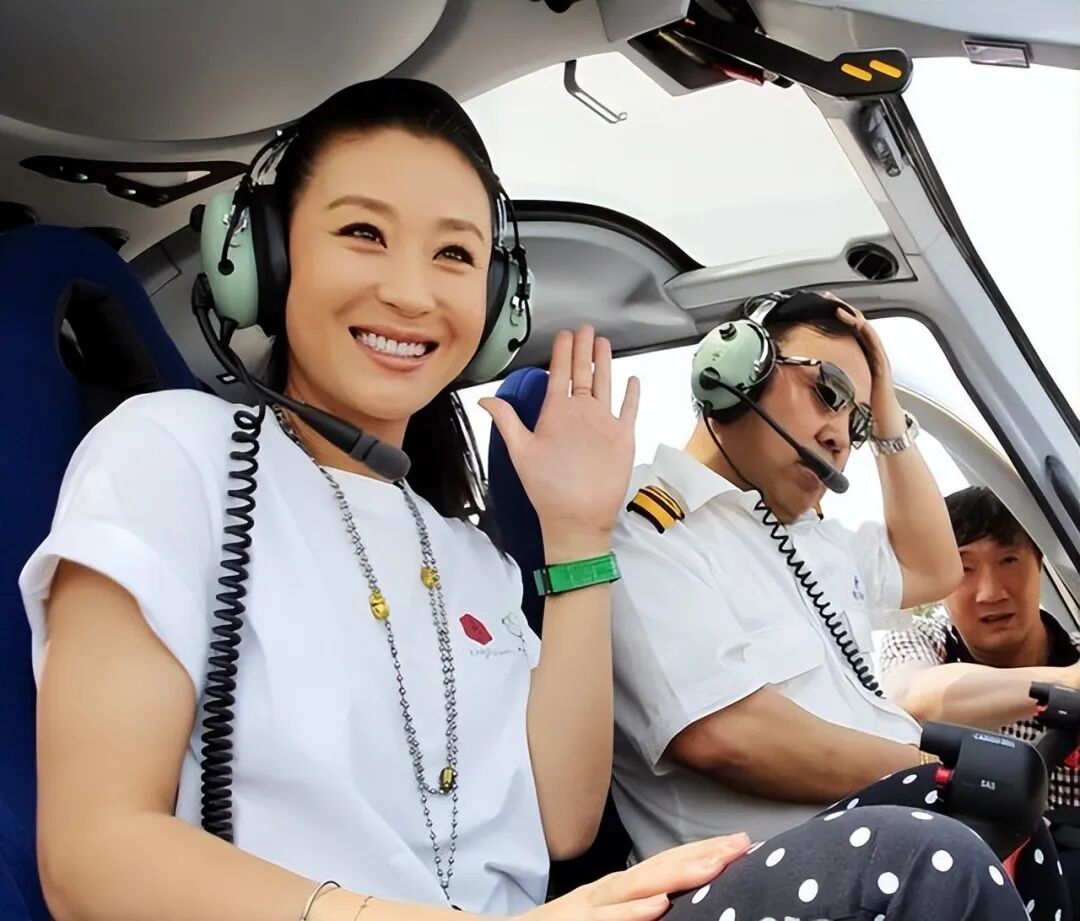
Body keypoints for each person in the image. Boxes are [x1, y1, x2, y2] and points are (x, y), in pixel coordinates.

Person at [16, 79, 1033, 921]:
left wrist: (578, 532)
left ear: (496, 306)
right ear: (266, 257)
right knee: (916, 865)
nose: (412, 291)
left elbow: (561, 822)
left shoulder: (472, 560)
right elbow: (93, 853)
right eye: (363, 232)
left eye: (455, 254)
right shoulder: (171, 452)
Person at [881, 485, 1080, 912]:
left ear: (1039, 562)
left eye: (1008, 560)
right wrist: (1067, 683)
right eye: (963, 568)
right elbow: (912, 695)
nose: (990, 592)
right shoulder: (922, 642)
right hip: (965, 882)